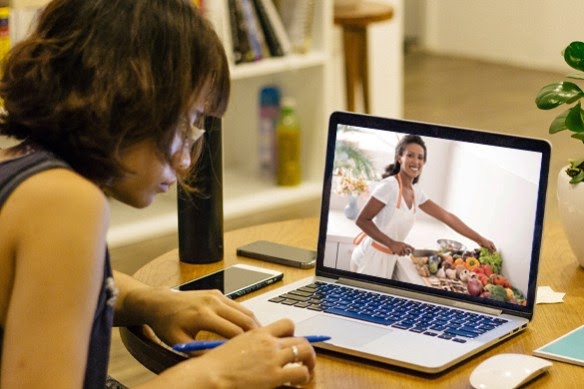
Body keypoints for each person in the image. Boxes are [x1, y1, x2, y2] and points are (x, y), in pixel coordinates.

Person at [0, 1, 315, 388]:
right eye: (187, 124)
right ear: (130, 100)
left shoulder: (19, 164)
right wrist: (214, 374)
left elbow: (45, 291)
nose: (186, 160)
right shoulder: (67, 203)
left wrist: (150, 301)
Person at [351, 134, 496, 278]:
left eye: (420, 157)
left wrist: (480, 239)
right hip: (371, 258)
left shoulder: (416, 192)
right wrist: (392, 243)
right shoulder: (389, 186)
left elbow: (447, 217)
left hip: (388, 258)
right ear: (399, 157)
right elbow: (362, 220)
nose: (416, 161)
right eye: (410, 155)